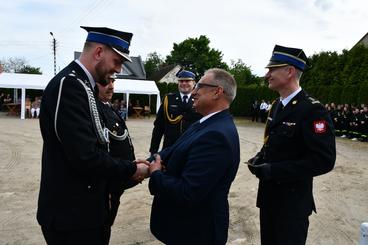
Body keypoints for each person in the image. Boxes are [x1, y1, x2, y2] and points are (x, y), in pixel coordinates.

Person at [37, 26, 149, 245]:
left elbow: (99, 144)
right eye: (117, 61)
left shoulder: (83, 86)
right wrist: (132, 169)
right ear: (98, 52)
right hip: (72, 217)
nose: (117, 69)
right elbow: (85, 156)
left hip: (86, 213)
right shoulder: (70, 85)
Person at [247, 45, 336, 245]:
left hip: (291, 203)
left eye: (272, 69)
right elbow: (275, 143)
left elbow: (324, 160)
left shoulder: (312, 110)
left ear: (290, 71)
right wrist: (261, 158)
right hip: (269, 198)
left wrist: (274, 170)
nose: (267, 74)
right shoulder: (277, 105)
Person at [148, 68, 240, 245]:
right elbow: (175, 149)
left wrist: (156, 174)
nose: (194, 91)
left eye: (199, 86)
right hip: (187, 227)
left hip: (196, 232)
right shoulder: (205, 122)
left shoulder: (216, 136)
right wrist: (152, 160)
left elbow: (188, 191)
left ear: (217, 92)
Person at [95, 74, 138, 229]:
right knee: (101, 226)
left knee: (106, 224)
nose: (111, 86)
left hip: (117, 179)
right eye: (105, 82)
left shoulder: (107, 106)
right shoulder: (95, 109)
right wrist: (132, 169)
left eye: (113, 81)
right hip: (107, 183)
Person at [149, 69, 202, 155]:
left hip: (191, 149)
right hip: (170, 148)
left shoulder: (200, 100)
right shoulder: (168, 100)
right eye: (181, 81)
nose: (184, 83)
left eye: (187, 81)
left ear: (194, 83)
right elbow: (158, 127)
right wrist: (153, 150)